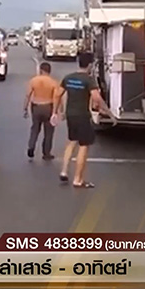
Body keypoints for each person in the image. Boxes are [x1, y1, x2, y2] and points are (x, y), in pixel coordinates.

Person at [52, 52, 116, 189]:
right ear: (90, 65)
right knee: (83, 146)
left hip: (70, 115)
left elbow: (57, 94)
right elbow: (97, 98)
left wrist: (55, 112)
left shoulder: (68, 78)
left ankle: (64, 171)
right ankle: (78, 179)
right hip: (82, 116)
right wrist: (109, 113)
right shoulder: (88, 80)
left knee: (71, 142)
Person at [23, 62, 58, 161]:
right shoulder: (53, 82)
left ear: (41, 70)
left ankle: (31, 146)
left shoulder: (33, 81)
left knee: (35, 128)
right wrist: (56, 111)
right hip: (48, 106)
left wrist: (25, 108)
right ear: (49, 71)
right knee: (49, 131)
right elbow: (56, 97)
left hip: (36, 106)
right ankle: (46, 153)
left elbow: (28, 95)